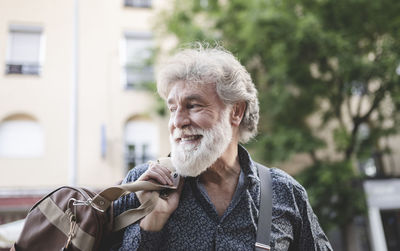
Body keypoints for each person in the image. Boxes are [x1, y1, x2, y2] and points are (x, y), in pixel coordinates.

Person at [112, 45, 333, 250]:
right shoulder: (143, 186)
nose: (177, 121)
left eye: (193, 105)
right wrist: (153, 221)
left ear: (235, 111)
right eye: (172, 109)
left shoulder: (285, 192)